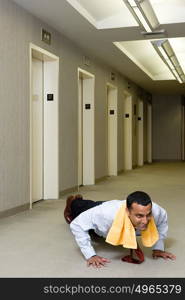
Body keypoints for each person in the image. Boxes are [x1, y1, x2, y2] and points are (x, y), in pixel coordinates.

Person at [64, 191, 176, 268]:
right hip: (100, 210)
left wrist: (158, 248)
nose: (145, 221)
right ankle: (73, 201)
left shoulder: (157, 212)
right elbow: (77, 224)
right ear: (127, 212)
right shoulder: (104, 213)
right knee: (81, 207)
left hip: (110, 219)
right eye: (139, 216)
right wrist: (90, 255)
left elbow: (162, 223)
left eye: (148, 215)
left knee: (97, 229)